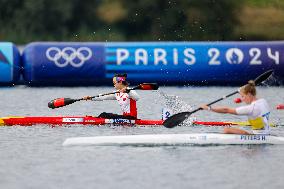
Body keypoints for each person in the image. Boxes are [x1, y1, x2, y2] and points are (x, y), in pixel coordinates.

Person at [201, 80, 270, 135]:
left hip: (258, 136)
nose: (242, 99)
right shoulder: (263, 101)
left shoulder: (251, 108)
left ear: (249, 94)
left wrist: (209, 108)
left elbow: (226, 110)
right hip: (266, 134)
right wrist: (244, 89)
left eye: (242, 96)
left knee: (227, 129)